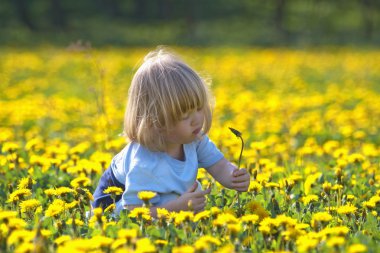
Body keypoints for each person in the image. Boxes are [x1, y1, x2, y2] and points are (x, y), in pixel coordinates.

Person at [92, 47, 250, 216]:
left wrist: (234, 176)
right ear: (157, 123)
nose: (197, 119)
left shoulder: (194, 138)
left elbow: (219, 166)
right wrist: (176, 208)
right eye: (184, 116)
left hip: (160, 202)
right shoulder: (144, 162)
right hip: (114, 209)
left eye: (198, 108)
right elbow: (134, 214)